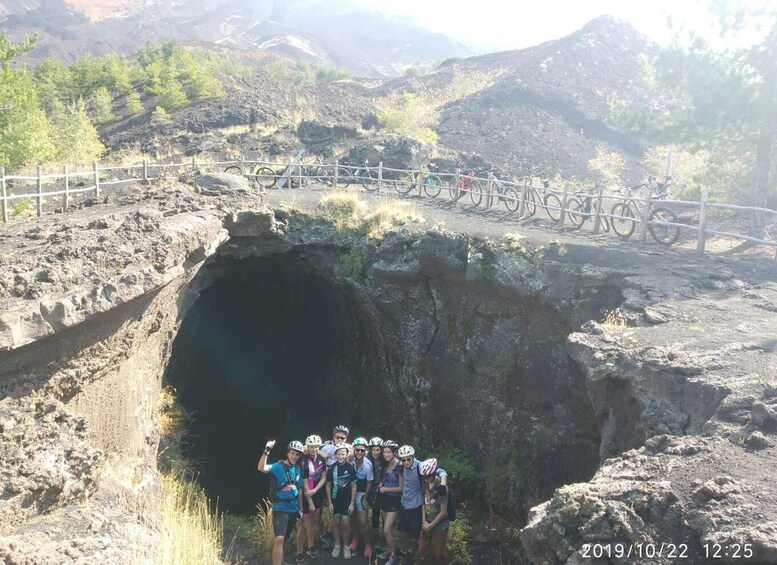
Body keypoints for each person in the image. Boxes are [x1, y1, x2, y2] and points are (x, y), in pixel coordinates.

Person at [397, 445, 447, 565]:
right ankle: (410, 553)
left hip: (416, 504)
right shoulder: (401, 466)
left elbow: (439, 470)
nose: (406, 462)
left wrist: (443, 484)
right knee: (405, 531)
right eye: (403, 460)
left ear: (413, 457)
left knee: (417, 535)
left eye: (409, 459)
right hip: (404, 503)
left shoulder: (420, 466)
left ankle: (419, 557)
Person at [258, 439, 304, 565]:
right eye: (293, 453)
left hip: (293, 508)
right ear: (288, 453)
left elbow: (299, 490)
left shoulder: (298, 469)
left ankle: (280, 560)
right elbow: (261, 468)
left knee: (285, 538)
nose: (295, 456)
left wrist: (301, 508)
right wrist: (266, 451)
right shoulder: (278, 467)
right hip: (280, 507)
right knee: (279, 538)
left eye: (297, 454)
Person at [295, 435, 327, 563]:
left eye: (316, 447)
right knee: (303, 525)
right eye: (312, 447)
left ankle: (311, 546)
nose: (314, 449)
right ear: (307, 447)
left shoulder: (321, 460)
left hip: (317, 492)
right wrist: (310, 500)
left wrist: (315, 490)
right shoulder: (303, 461)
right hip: (306, 495)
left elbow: (324, 477)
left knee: (313, 523)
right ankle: (299, 552)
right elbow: (304, 483)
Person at [321, 425, 350, 549]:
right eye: (337, 437)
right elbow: (308, 448)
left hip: (343, 483)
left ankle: (328, 533)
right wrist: (320, 452)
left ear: (346, 438)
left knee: (339, 512)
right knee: (328, 511)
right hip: (327, 482)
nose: (340, 439)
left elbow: (359, 452)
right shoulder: (327, 447)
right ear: (333, 437)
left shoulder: (349, 448)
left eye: (343, 437)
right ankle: (326, 533)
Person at [326, 443, 357, 559]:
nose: (341, 456)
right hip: (335, 500)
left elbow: (354, 486)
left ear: (347, 455)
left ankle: (346, 546)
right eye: (339, 454)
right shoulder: (332, 468)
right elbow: (328, 486)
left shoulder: (350, 468)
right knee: (336, 522)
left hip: (346, 500)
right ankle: (337, 545)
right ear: (335, 455)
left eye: (343, 454)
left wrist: (352, 503)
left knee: (346, 523)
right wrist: (329, 502)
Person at [418, 459, 449, 564]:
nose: (426, 480)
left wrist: (430, 526)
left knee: (439, 553)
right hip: (427, 521)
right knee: (423, 550)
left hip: (440, 525)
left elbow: (443, 512)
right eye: (424, 477)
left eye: (428, 477)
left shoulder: (440, 487)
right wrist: (424, 521)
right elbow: (423, 502)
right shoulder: (425, 484)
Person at [348, 437, 374, 557]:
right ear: (353, 449)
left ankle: (368, 544)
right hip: (351, 493)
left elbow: (369, 482)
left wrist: (365, 498)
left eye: (362, 451)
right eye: (357, 450)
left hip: (362, 493)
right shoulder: (350, 461)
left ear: (365, 451)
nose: (359, 452)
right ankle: (355, 539)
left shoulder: (367, 465)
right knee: (352, 517)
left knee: (363, 520)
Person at [377, 440, 402, 565]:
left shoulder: (399, 466)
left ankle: (394, 557)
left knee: (387, 529)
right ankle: (390, 549)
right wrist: (382, 483)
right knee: (387, 528)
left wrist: (386, 488)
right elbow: (385, 477)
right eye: (384, 452)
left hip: (394, 499)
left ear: (394, 452)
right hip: (385, 498)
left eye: (389, 452)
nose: (386, 454)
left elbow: (401, 488)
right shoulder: (386, 464)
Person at [365, 436, 385, 550]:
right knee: (375, 513)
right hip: (371, 489)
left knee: (384, 514)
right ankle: (376, 535)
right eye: (374, 449)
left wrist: (382, 482)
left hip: (383, 489)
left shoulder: (384, 460)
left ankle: (385, 536)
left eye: (378, 450)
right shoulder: (367, 460)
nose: (376, 452)